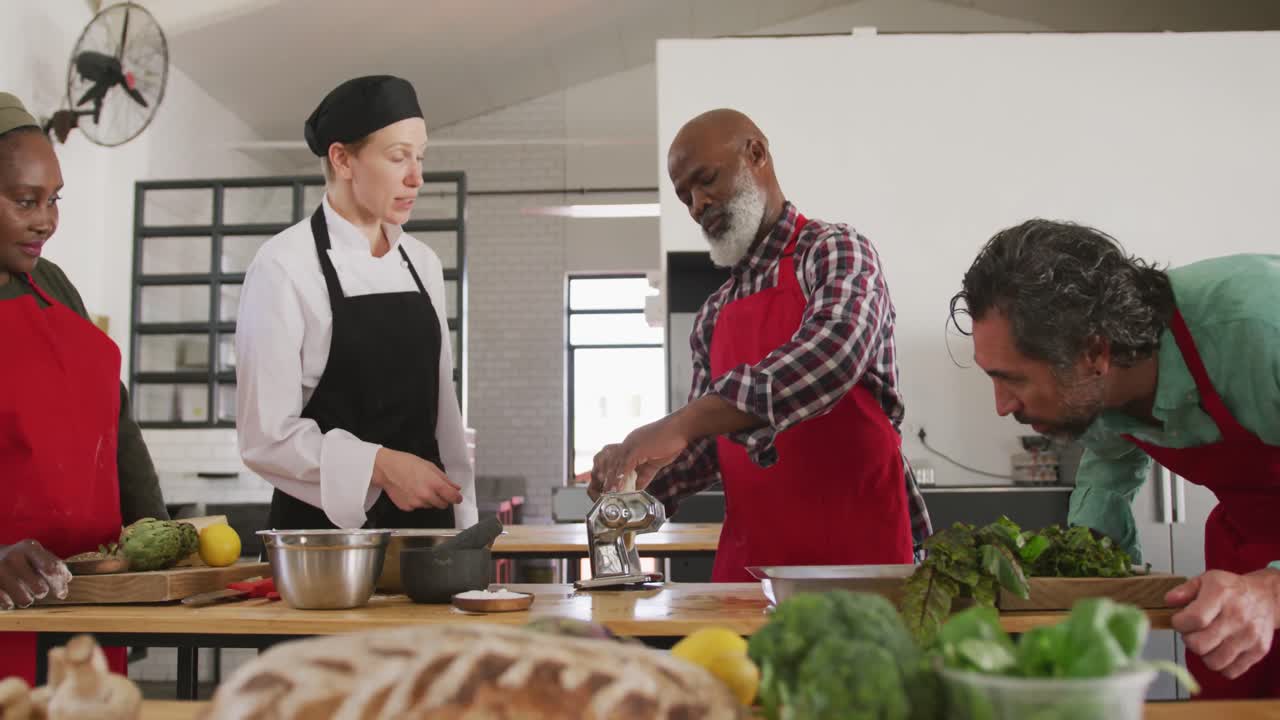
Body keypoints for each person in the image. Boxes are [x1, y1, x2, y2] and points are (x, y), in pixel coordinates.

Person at [590, 109, 930, 581]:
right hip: (753, 569)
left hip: (862, 559)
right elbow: (707, 448)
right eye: (685, 196)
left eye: (706, 180)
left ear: (756, 153)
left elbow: (834, 353)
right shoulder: (713, 313)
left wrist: (685, 421)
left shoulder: (835, 251)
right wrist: (635, 476)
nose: (698, 204)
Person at [954, 218, 1280, 698]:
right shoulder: (1101, 390)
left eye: (1014, 379)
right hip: (1241, 563)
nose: (1002, 405)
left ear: (1093, 352)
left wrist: (1270, 592)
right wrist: (1080, 603)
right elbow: (1106, 482)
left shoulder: (1259, 328)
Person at [236, 76, 477, 532]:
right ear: (342, 159)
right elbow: (264, 438)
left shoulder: (422, 263)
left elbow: (444, 415)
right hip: (326, 545)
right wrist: (380, 465)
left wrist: (465, 523)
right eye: (397, 157)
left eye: (420, 156)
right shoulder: (284, 266)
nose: (417, 178)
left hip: (427, 535)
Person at [0, 93, 167, 682]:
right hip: (8, 610)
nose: (46, 220)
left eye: (53, 200)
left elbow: (116, 428)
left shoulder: (52, 284)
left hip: (90, 604)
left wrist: (159, 539)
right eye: (25, 201)